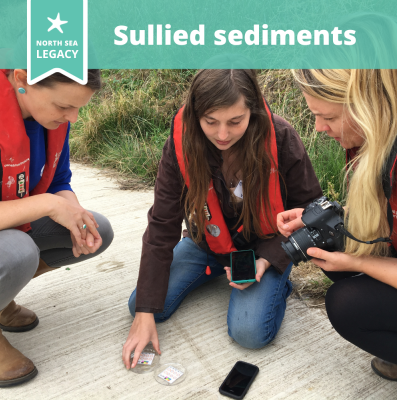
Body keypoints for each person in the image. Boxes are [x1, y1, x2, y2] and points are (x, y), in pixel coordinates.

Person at [122, 69, 322, 368]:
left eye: (235, 122)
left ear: (252, 112)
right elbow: (162, 223)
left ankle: (276, 282)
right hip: (207, 243)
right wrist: (144, 314)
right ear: (195, 114)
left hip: (265, 245)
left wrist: (267, 261)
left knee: (250, 334)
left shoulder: (281, 137)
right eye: (210, 122)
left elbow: (309, 210)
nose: (222, 134)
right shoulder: (180, 144)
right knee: (142, 306)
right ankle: (215, 270)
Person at [277, 69, 397, 381]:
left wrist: (357, 261)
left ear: (366, 104)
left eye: (326, 115)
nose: (318, 128)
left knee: (347, 305)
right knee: (327, 241)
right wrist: (322, 217)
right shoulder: (372, 138)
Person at [0, 68, 114, 387]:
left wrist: (72, 210)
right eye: (64, 106)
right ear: (21, 81)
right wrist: (49, 205)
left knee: (96, 228)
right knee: (18, 253)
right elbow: (48, 202)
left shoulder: (48, 120)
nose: (73, 117)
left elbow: (59, 180)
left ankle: (0, 301)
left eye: (79, 107)